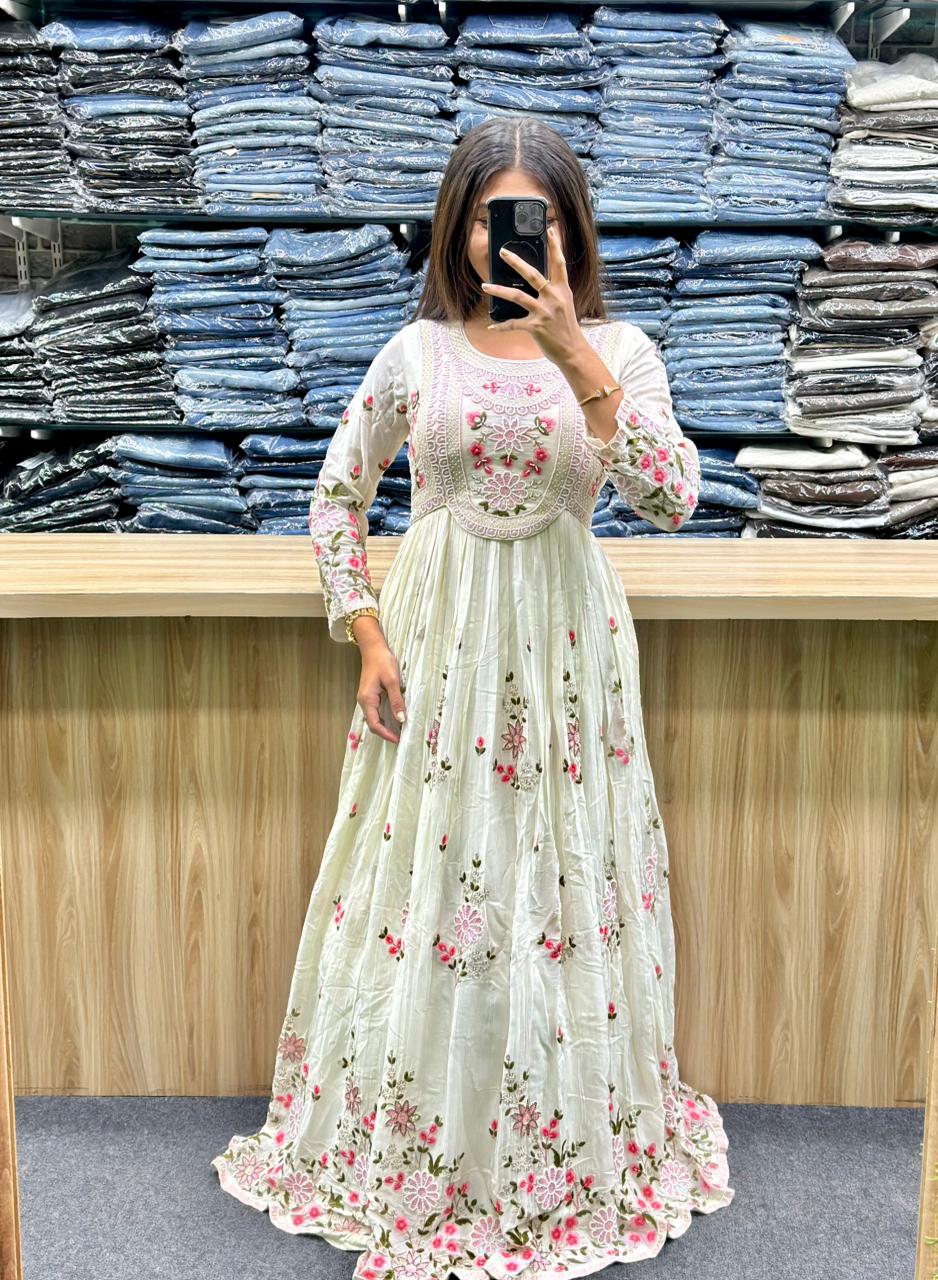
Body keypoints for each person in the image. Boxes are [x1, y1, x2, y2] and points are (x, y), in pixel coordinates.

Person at [211, 117, 735, 1280]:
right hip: (436, 646)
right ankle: (424, 1149)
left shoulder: (621, 350)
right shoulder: (417, 353)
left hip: (563, 653)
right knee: (434, 886)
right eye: (490, 220)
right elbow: (336, 497)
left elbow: (670, 497)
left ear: (568, 231)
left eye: (532, 221)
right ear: (456, 231)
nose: (510, 240)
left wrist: (573, 352)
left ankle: (558, 1153)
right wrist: (364, 633)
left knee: (559, 883)